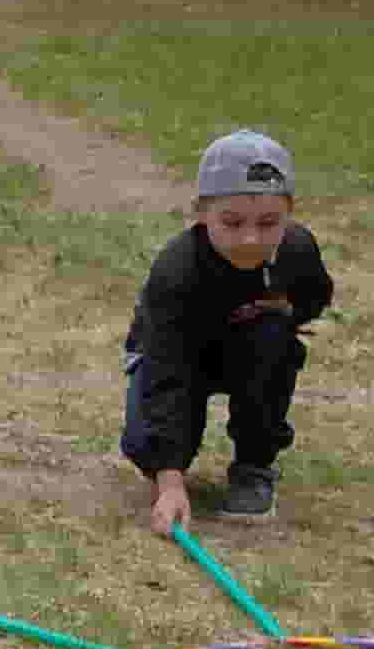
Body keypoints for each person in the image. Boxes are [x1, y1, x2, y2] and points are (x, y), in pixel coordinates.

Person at [124, 129, 336, 534]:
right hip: (174, 353)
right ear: (201, 213)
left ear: (290, 213)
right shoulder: (176, 272)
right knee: (143, 442)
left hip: (249, 347)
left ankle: (254, 467)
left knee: (273, 335)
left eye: (269, 222)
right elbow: (166, 371)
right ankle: (167, 467)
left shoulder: (297, 250)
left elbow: (314, 296)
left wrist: (284, 314)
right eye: (232, 222)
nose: (251, 238)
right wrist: (169, 480)